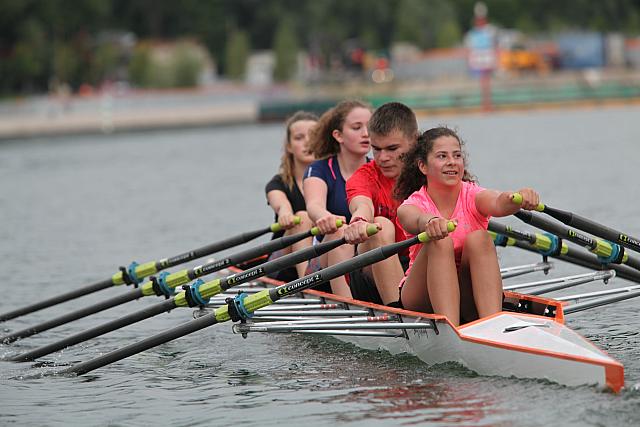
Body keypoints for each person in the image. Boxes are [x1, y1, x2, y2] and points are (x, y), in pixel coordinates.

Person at [395, 127, 540, 326]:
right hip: (421, 297)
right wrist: (430, 223)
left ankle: (493, 324)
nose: (452, 162)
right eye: (442, 156)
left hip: (465, 291)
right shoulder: (414, 203)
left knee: (480, 238)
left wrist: (519, 198)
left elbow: (498, 202)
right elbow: (412, 217)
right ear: (423, 166)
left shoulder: (472, 195)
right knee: (441, 240)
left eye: (457, 155)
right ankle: (451, 329)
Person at [343, 102, 418, 307]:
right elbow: (362, 205)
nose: (383, 158)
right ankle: (398, 312)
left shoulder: (431, 170)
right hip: (370, 273)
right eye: (376, 149)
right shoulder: (364, 176)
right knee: (380, 225)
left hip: (418, 266)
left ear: (414, 141)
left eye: (392, 149)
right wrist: (359, 221)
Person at [303, 100, 372, 298]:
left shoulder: (378, 169)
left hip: (365, 255)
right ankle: (348, 305)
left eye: (370, 127)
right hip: (325, 260)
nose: (366, 133)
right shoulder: (320, 169)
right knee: (341, 231)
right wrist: (325, 217)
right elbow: (314, 205)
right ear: (338, 135)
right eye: (357, 127)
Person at [265, 111, 318, 281]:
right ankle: (307, 283)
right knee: (302, 218)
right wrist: (285, 214)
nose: (307, 142)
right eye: (299, 137)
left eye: (313, 136)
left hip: (322, 255)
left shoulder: (332, 179)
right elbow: (280, 204)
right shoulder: (278, 183)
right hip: (281, 263)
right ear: (289, 146)